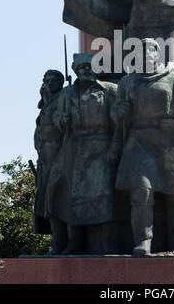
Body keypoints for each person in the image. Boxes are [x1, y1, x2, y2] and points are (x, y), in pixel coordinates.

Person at [112, 38, 174, 257]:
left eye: (149, 49)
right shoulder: (127, 83)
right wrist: (119, 113)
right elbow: (115, 116)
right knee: (141, 192)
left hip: (169, 143)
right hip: (139, 143)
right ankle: (143, 241)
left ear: (157, 54)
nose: (144, 54)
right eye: (139, 50)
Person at [46, 53, 122, 254]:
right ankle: (73, 242)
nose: (86, 70)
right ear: (75, 71)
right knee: (60, 191)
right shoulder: (67, 93)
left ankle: (108, 243)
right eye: (81, 68)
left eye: (90, 67)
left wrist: (114, 148)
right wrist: (60, 119)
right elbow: (57, 118)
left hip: (101, 145)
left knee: (104, 194)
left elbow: (120, 125)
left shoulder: (111, 90)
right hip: (73, 147)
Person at [33, 69, 67, 254]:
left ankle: (62, 244)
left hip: (59, 157)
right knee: (48, 203)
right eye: (46, 80)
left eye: (54, 80)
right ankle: (57, 244)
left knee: (58, 201)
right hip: (45, 159)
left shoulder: (64, 97)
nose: (49, 83)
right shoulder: (46, 102)